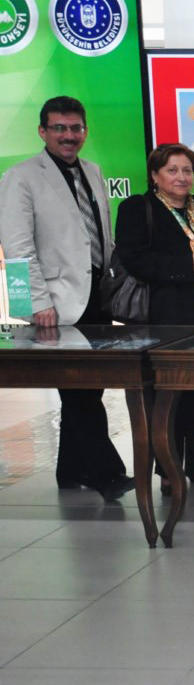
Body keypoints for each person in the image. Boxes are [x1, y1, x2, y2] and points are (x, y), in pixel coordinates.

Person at [0, 96, 132, 501]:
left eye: (76, 128)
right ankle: (107, 473)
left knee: (88, 385)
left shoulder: (93, 171)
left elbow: (100, 234)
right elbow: (18, 248)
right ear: (43, 131)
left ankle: (70, 470)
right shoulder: (21, 177)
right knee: (78, 387)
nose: (69, 135)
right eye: (59, 128)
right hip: (55, 302)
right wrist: (36, 302)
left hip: (96, 295)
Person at [114, 143, 194, 491]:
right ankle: (169, 472)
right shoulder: (137, 208)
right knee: (169, 399)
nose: (182, 177)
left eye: (187, 170)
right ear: (155, 175)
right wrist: (189, 264)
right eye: (172, 170)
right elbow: (135, 260)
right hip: (166, 319)